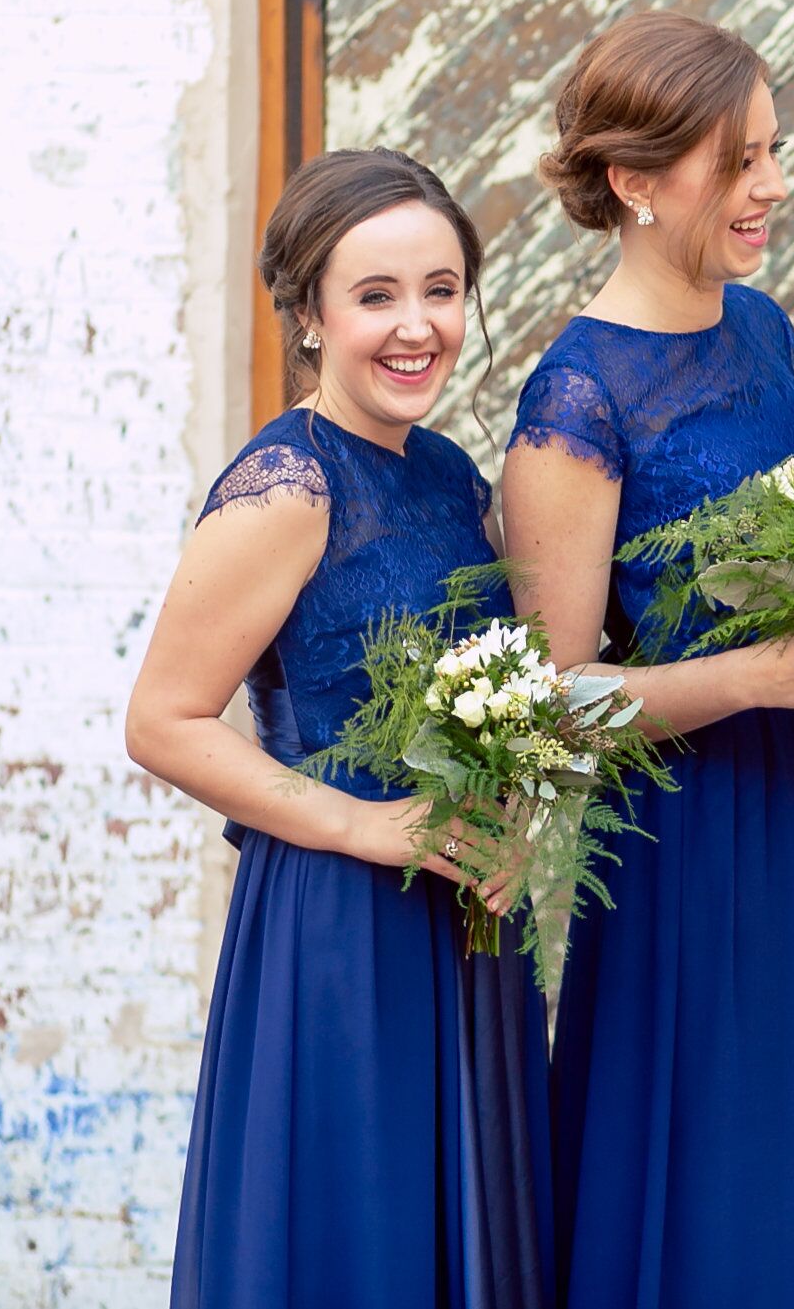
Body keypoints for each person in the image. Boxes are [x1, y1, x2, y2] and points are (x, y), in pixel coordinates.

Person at [502, 13, 794, 1309]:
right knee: (728, 1184)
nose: (773, 187)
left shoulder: (764, 333)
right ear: (633, 179)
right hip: (693, 843)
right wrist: (757, 676)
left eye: (774, 154)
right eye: (739, 162)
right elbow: (551, 704)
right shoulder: (577, 400)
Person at [128, 148, 549, 1309]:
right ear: (307, 314)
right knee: (356, 1242)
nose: (417, 325)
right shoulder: (286, 488)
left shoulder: (450, 472)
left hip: (465, 914)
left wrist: (514, 816)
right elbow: (162, 721)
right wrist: (365, 826)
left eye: (442, 288)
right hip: (337, 925)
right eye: (376, 296)